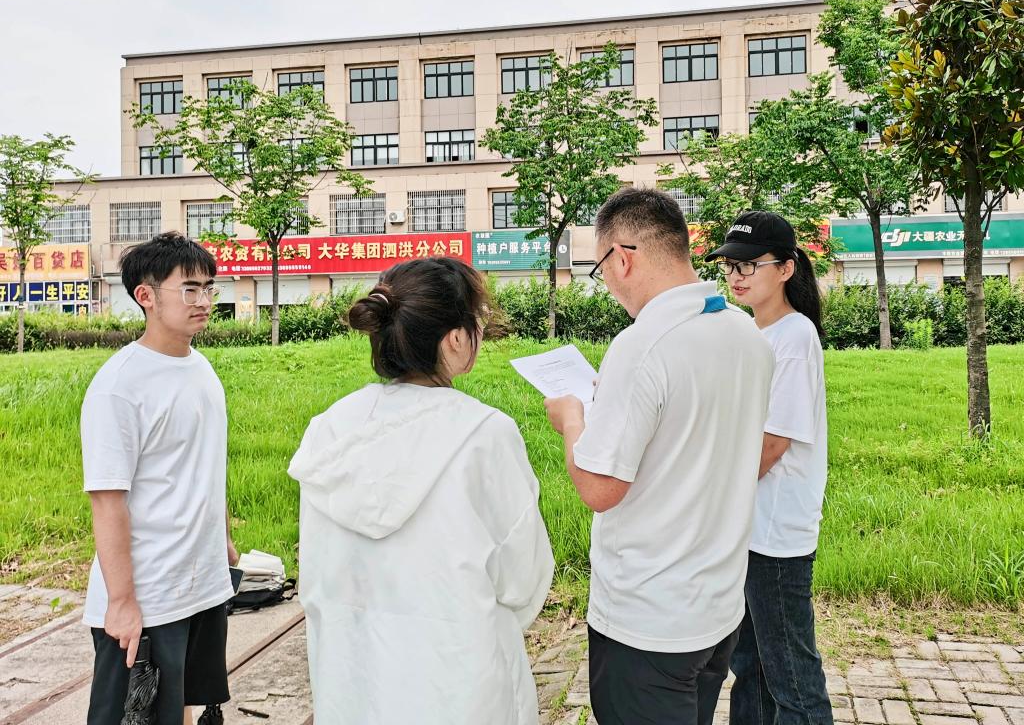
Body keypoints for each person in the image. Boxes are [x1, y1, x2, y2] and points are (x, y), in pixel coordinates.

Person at [288, 257, 554, 725]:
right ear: (455, 339)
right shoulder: (483, 434)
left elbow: (317, 573)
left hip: (354, 682)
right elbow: (522, 579)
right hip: (463, 683)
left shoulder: (330, 430)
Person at [543, 188, 775, 725]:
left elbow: (600, 488)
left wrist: (572, 419)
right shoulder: (744, 332)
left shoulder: (643, 344)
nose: (607, 282)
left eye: (601, 268)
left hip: (648, 620)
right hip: (717, 608)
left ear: (622, 258)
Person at [81, 232, 238, 725]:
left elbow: (203, 464)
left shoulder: (200, 368)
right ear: (145, 296)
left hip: (200, 582)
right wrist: (122, 602)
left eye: (208, 288)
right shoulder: (118, 386)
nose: (204, 301)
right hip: (148, 596)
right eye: (189, 289)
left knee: (183, 707)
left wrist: (223, 540)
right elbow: (107, 500)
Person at [707, 210, 833, 725]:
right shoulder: (749, 331)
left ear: (785, 268)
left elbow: (775, 442)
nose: (736, 276)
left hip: (776, 531)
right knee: (752, 667)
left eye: (748, 265)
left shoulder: (794, 337)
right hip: (749, 525)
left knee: (791, 677)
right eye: (730, 265)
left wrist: (716, 495)